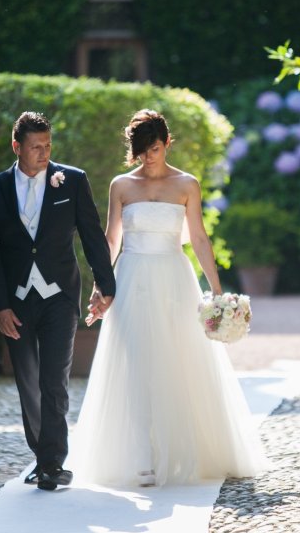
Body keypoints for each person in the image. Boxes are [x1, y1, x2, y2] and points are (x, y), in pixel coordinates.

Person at [73, 109, 267, 487]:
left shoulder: (186, 185)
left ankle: (177, 451)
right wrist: (101, 285)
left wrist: (215, 288)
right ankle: (140, 455)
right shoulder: (121, 186)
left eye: (156, 148)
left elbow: (198, 238)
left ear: (167, 143)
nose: (149, 156)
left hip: (174, 279)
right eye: (142, 150)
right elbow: (112, 240)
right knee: (133, 360)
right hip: (130, 277)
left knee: (178, 360)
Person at [0, 111, 115, 491]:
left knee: (54, 380)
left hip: (59, 295)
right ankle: (41, 455)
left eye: (48, 145)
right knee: (29, 383)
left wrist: (106, 285)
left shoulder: (72, 180)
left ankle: (53, 463)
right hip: (16, 302)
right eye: (35, 147)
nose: (43, 153)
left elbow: (91, 235)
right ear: (16, 147)